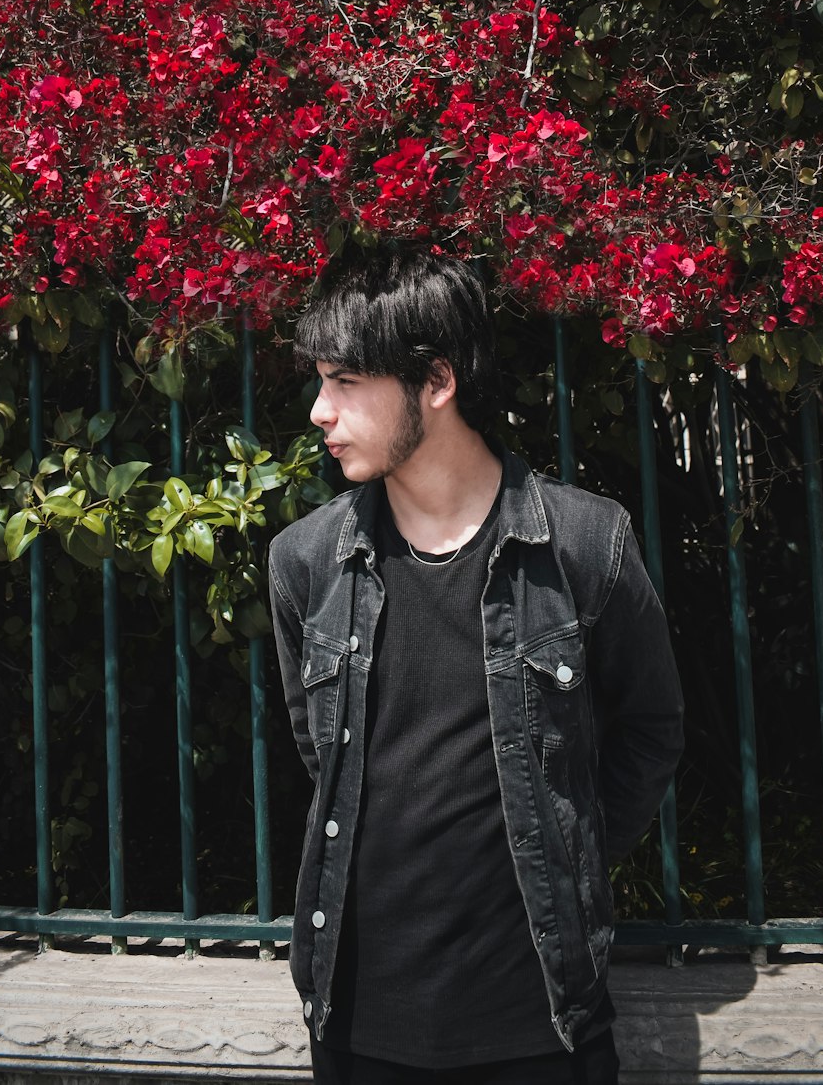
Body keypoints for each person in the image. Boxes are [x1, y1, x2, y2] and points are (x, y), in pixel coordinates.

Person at [269, 245, 684, 1085]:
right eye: (321, 381)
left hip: (539, 1021)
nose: (320, 410)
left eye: (346, 381)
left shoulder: (579, 544)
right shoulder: (306, 561)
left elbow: (652, 729)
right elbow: (320, 755)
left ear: (435, 381)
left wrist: (561, 844)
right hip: (354, 1020)